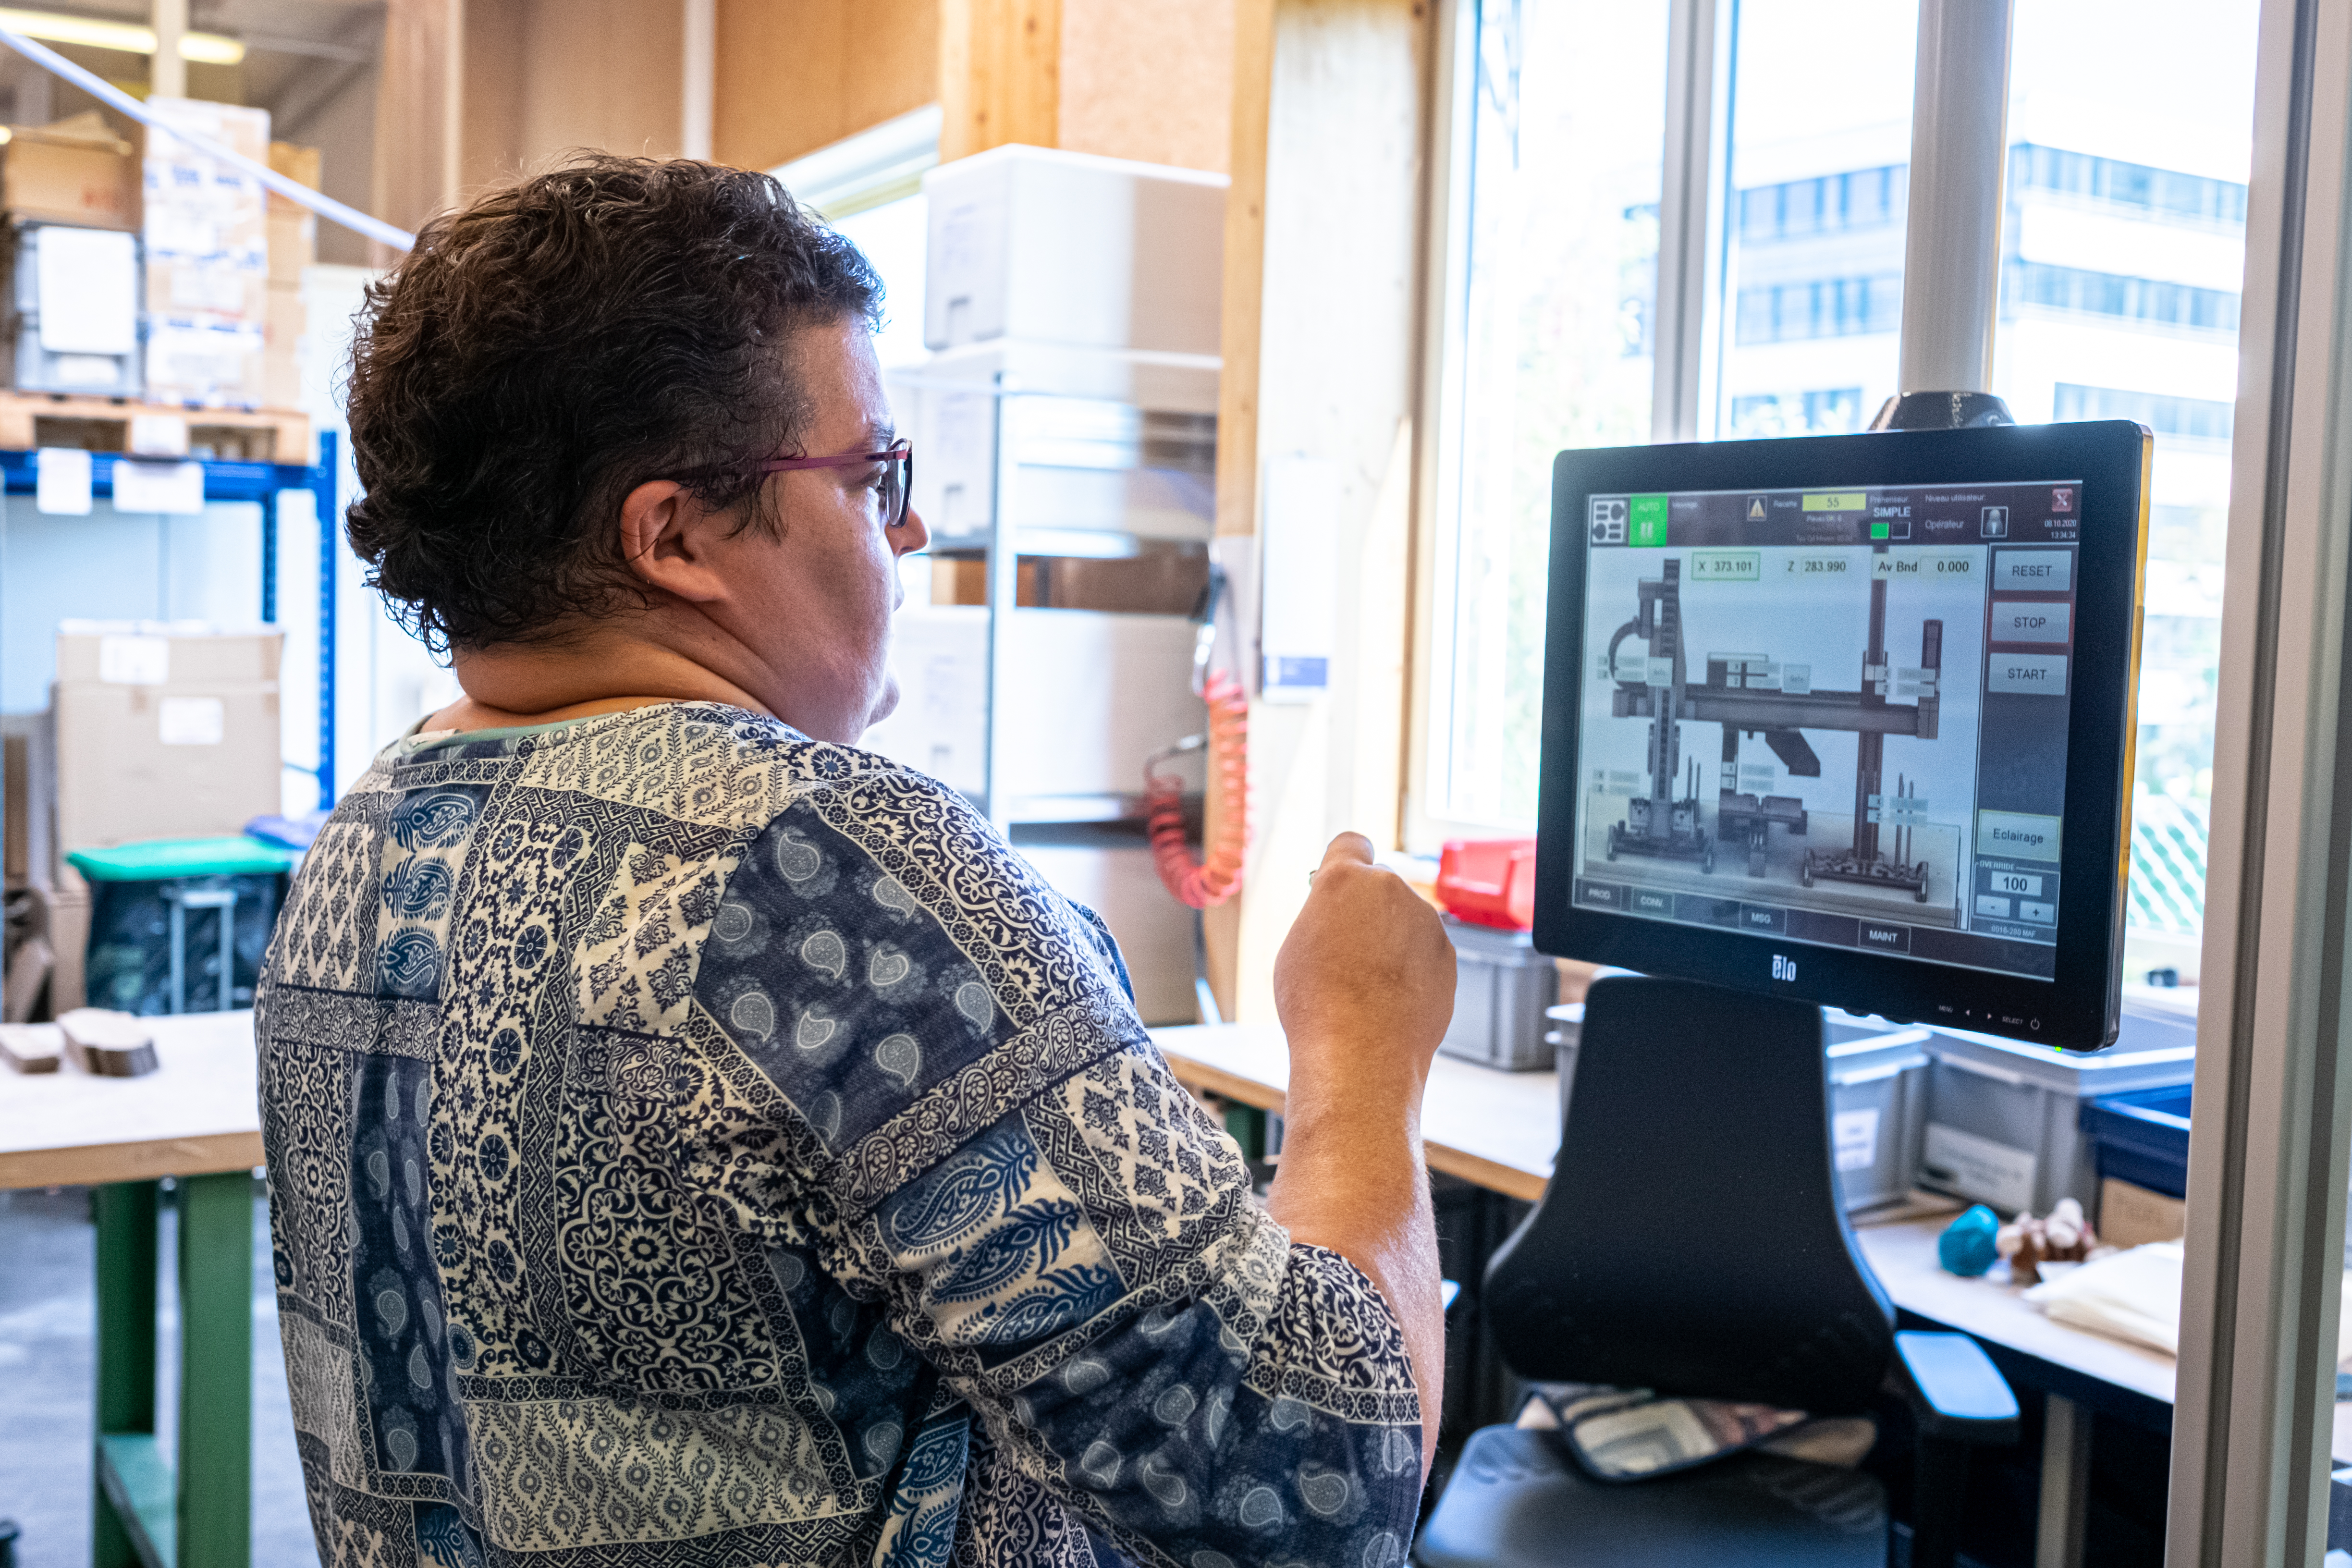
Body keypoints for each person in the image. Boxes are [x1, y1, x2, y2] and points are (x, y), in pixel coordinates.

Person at [256, 155, 1457, 1568]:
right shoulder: (816, 860)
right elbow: (1320, 1480)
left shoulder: (363, 841)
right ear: (678, 534)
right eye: (875, 473)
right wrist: (1362, 1059)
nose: (911, 530)